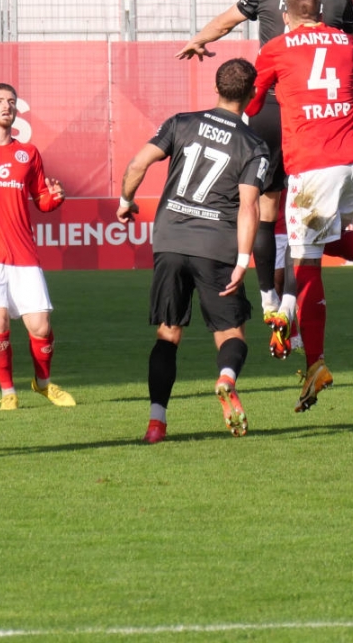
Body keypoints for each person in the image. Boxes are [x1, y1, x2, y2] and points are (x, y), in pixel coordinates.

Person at [175, 0, 353, 332]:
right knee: (315, 224)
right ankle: (290, 304)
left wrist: (199, 39)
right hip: (317, 117)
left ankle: (268, 298)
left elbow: (226, 22)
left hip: (267, 109)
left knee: (266, 211)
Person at [246, 0, 353, 413]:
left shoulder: (276, 48)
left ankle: (314, 362)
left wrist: (273, 91)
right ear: (320, 14)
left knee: (306, 260)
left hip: (315, 163)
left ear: (287, 17)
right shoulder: (346, 41)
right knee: (319, 240)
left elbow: (254, 103)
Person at [117, 58, 269, 442]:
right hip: (215, 245)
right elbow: (249, 206)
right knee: (230, 332)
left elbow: (138, 163)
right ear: (252, 96)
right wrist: (242, 260)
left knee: (167, 334)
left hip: (169, 240)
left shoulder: (180, 122)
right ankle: (225, 378)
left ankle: (156, 422)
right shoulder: (253, 145)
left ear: (216, 87)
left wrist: (125, 199)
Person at [0, 83, 75, 410]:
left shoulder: (29, 153)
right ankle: (8, 392)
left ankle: (43, 383)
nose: (6, 106)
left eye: (10, 101)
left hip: (23, 254)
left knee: (41, 327)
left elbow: (42, 199)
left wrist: (55, 197)